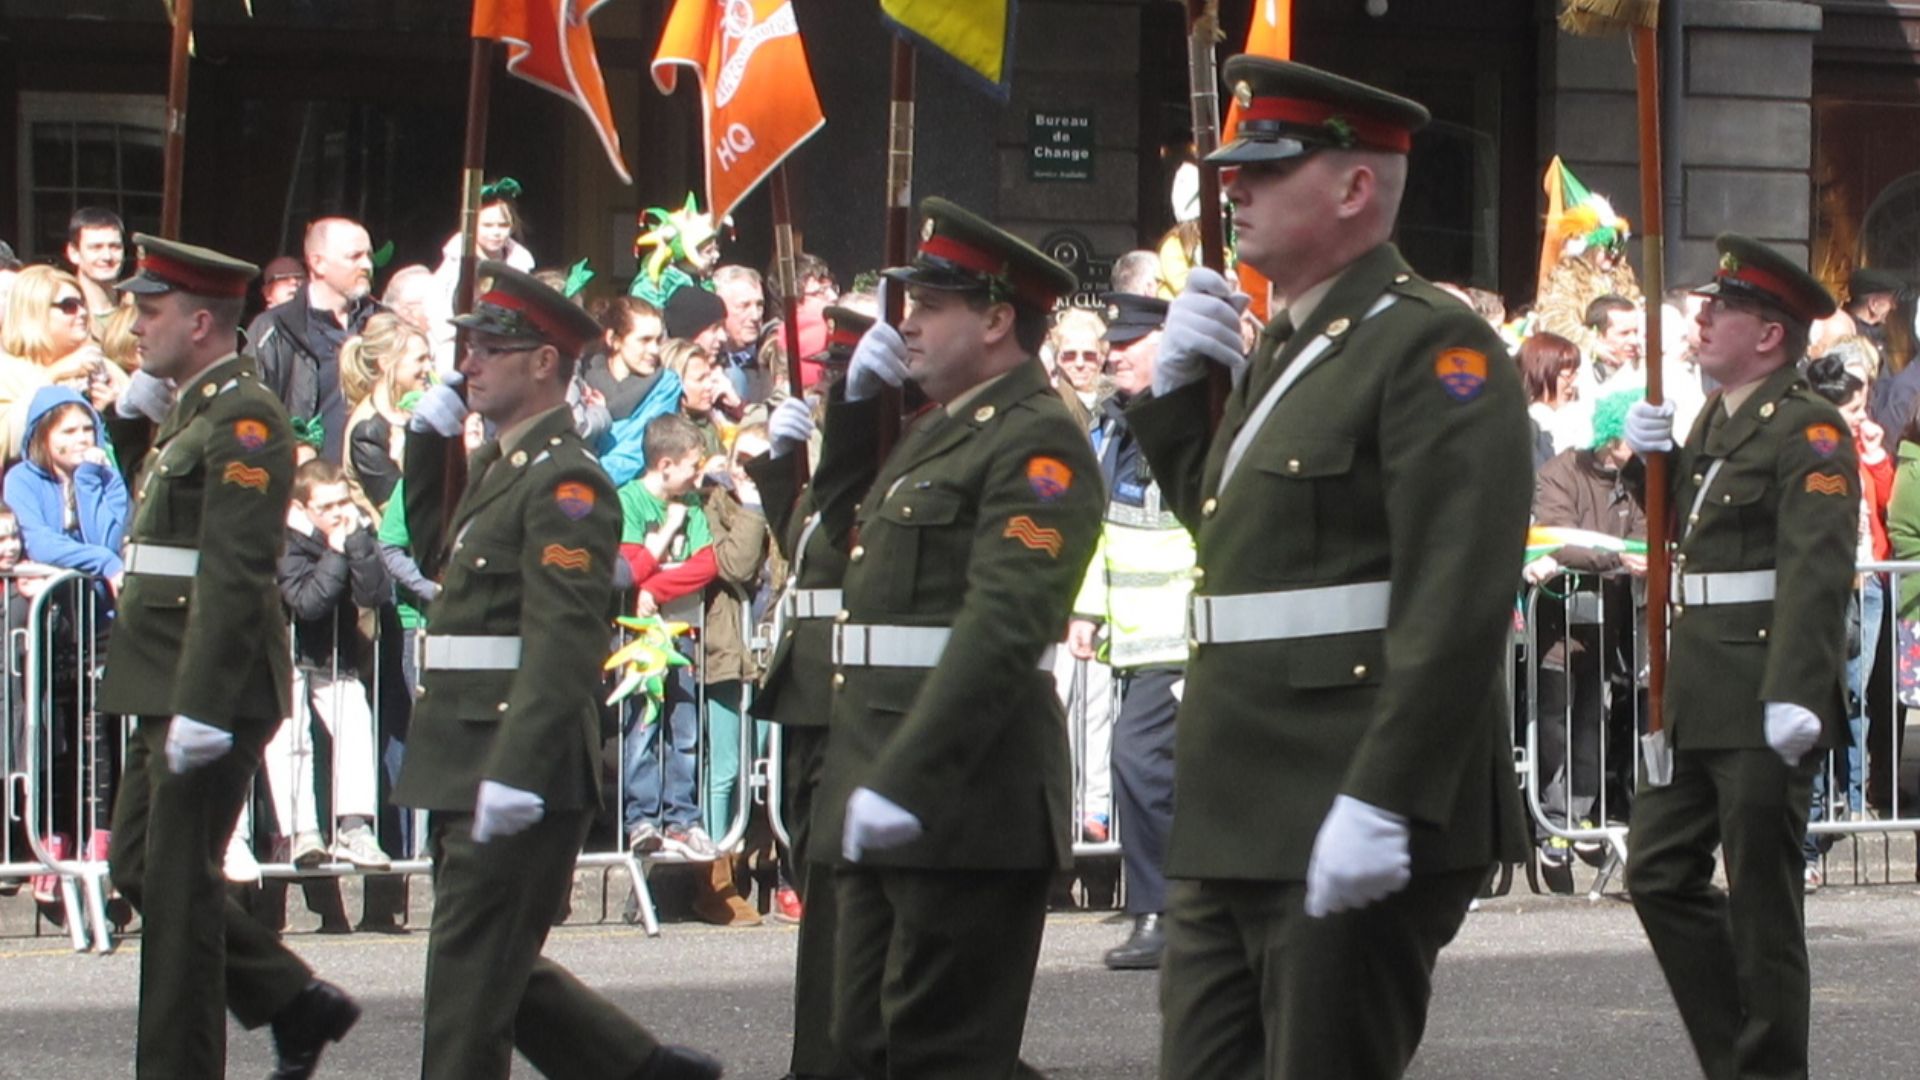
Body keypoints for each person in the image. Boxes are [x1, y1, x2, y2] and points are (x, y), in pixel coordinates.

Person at [1125, 59, 1532, 1078]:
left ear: (1354, 189)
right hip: (1239, 796)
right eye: (1235, 171)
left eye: (1267, 169)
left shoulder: (1436, 348)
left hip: (1343, 782)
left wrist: (1385, 795)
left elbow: (1460, 590)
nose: (1234, 190)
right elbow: (1243, 539)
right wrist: (1178, 395)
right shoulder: (1285, 349)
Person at [394, 260, 720, 1079]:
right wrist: (426, 435)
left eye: (487, 351)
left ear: (544, 362)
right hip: (467, 754)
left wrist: (517, 767)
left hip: (511, 757)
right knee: (488, 967)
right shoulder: (506, 468)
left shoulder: (566, 481)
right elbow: (439, 547)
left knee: (467, 996)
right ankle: (642, 1070)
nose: (466, 364)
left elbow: (565, 640)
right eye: (466, 348)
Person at [814, 197, 1100, 1077]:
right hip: (884, 773)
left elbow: (1004, 621)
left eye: (931, 306)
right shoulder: (934, 430)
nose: (907, 324)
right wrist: (847, 415)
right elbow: (831, 540)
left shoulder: (1036, 441)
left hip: (967, 800)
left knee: (942, 1055)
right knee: (860, 1050)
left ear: (997, 318)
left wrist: (910, 778)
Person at [98, 234, 359, 1079]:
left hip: (206, 686)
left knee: (174, 891)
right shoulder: (196, 407)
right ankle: (291, 997)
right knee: (140, 864)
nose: (135, 325)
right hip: (165, 677)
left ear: (201, 320)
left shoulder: (246, 418)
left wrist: (203, 705)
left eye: (151, 310)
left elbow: (238, 567)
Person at [1621, 233, 1856, 1080]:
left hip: (1763, 689)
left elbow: (1816, 566)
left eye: (1723, 309)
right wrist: (1651, 466)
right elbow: (1697, 527)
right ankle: (1740, 1059)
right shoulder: (1716, 419)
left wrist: (1797, 688)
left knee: (1764, 909)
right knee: (1656, 874)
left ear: (1769, 336)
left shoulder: (1810, 428)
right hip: (1701, 688)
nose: (1702, 318)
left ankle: (1769, 1069)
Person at [745, 303, 871, 1080]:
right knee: (823, 909)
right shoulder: (842, 465)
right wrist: (779, 469)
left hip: (844, 699)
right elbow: (806, 546)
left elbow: (843, 553)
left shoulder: (879, 459)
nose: (828, 389)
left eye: (844, 378)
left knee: (844, 917)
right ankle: (819, 1057)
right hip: (808, 698)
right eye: (826, 375)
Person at [1068, 291, 1191, 970]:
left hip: (1189, 637)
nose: (1114, 355)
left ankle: (1164, 912)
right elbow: (1100, 528)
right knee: (1144, 769)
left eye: (1129, 344)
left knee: (1141, 764)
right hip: (1139, 641)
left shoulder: (1193, 420)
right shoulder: (1113, 427)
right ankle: (1170, 910)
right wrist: (1088, 608)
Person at [1520, 390, 1648, 892]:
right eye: (1630, 442)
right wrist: (1615, 559)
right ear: (1612, 436)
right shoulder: (1559, 472)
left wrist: (1621, 555)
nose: (1637, 452)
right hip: (1559, 624)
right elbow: (1557, 537)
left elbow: (1643, 532)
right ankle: (1552, 825)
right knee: (1552, 722)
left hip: (1608, 625)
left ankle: (1582, 816)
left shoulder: (1634, 479)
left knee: (1593, 720)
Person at [273, 459, 394, 870]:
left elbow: (375, 591)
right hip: (289, 654)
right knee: (291, 741)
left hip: (334, 653)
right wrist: (338, 554)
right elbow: (306, 602)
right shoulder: (286, 539)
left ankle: (354, 827)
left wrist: (357, 544)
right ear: (301, 509)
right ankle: (301, 829)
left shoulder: (351, 533)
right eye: (326, 507)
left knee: (355, 723)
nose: (338, 512)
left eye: (343, 501)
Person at [249, 217, 376, 462]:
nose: (367, 265)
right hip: (308, 489)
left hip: (373, 484)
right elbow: (252, 417)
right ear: (317, 263)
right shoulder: (276, 329)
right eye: (355, 256)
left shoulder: (381, 323)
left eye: (369, 255)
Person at [339, 313, 430, 512]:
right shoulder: (367, 431)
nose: (429, 368)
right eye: (420, 359)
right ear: (386, 362)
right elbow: (397, 511)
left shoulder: (408, 411)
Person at [64, 206, 126, 324]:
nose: (107, 256)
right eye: (96, 248)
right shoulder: (61, 314)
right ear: (74, 253)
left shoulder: (139, 311)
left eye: (115, 247)